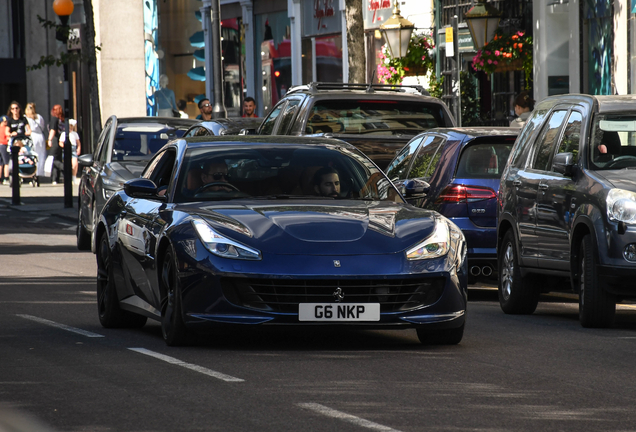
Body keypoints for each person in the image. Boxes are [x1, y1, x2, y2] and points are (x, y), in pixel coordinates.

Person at [24, 102, 47, 177]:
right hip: (40, 136)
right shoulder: (39, 117)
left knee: (32, 154)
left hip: (32, 136)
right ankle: (39, 173)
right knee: (40, 155)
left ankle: (32, 172)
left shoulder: (25, 118)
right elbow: (43, 127)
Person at [59, 119, 81, 184]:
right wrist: (64, 146)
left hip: (73, 148)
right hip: (66, 148)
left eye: (71, 127)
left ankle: (74, 177)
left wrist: (79, 148)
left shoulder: (75, 134)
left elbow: (78, 142)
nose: (70, 129)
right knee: (67, 164)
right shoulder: (64, 134)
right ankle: (68, 178)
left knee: (75, 164)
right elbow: (60, 142)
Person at [48, 104, 65, 184]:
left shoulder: (54, 119)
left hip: (55, 140)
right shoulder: (61, 119)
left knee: (53, 159)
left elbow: (53, 130)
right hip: (60, 140)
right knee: (57, 158)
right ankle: (55, 178)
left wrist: (49, 139)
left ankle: (65, 168)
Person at [0, 116, 9, 184]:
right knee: (6, 162)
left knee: (0, 163)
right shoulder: (6, 128)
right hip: (4, 145)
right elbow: (7, 137)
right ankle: (6, 178)